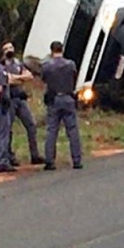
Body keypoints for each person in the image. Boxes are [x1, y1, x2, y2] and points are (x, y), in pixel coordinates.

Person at [41, 41, 83, 171]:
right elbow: (74, 78)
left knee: (52, 130)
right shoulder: (70, 64)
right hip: (68, 97)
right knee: (72, 130)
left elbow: (44, 79)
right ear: (62, 49)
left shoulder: (47, 65)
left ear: (51, 50)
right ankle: (76, 160)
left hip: (54, 99)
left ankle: (50, 161)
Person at [2, 41, 45, 166]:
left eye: (11, 47)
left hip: (20, 99)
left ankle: (35, 155)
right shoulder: (1, 64)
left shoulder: (18, 63)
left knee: (31, 125)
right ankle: (9, 156)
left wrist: (16, 78)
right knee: (8, 129)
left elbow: (29, 76)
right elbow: (7, 79)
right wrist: (19, 78)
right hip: (9, 99)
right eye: (6, 48)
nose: (10, 50)